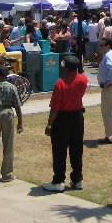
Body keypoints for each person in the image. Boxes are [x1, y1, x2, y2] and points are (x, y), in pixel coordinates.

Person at [43, 54, 88, 192]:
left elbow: (55, 107)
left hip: (62, 118)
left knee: (59, 150)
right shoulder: (83, 79)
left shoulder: (60, 83)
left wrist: (50, 124)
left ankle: (58, 180)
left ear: (66, 67)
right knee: (76, 149)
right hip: (77, 117)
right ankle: (77, 179)